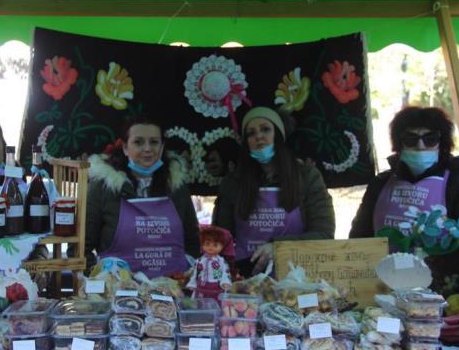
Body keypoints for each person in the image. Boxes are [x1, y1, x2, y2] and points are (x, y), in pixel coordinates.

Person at [212, 106, 335, 276]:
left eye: (265, 129)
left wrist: (278, 247)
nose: (258, 136)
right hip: (245, 280)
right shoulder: (233, 182)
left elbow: (324, 234)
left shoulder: (307, 177)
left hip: (297, 278)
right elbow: (219, 239)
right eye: (251, 133)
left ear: (279, 135)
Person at [85, 116, 200, 277]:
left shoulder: (177, 187)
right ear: (125, 148)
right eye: (138, 142)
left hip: (173, 286)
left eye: (154, 142)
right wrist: (100, 278)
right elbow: (81, 246)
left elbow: (193, 241)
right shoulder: (103, 187)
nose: (147, 149)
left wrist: (185, 274)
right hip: (119, 288)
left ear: (162, 147)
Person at [350, 106, 459, 238]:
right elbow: (359, 235)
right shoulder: (380, 183)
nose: (420, 146)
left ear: (441, 142)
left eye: (430, 139)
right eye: (411, 139)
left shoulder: (455, 182)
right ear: (399, 143)